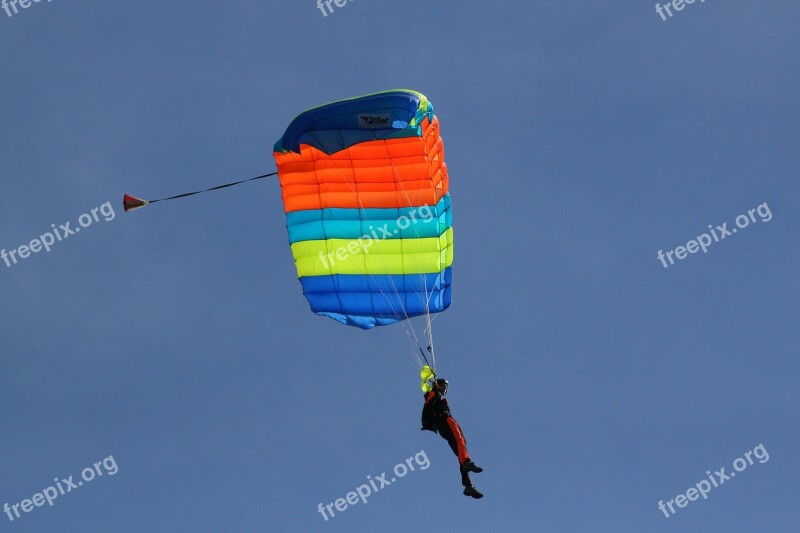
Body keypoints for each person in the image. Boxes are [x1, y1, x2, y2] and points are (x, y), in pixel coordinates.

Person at [421, 378, 484, 498]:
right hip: (445, 421)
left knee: (462, 450)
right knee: (461, 441)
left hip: (444, 424)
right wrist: (435, 391)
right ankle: (466, 462)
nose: (445, 388)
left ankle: (468, 486)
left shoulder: (438, 396)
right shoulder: (432, 394)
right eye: (443, 386)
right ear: (437, 385)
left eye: (446, 387)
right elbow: (428, 404)